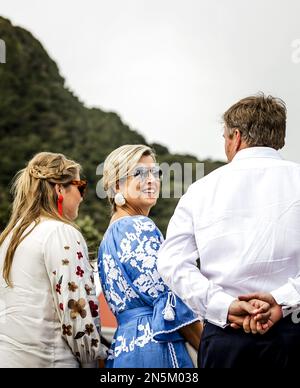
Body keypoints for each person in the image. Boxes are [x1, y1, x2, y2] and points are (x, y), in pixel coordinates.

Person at [157, 94, 300, 368]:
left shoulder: (200, 191)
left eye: (224, 137)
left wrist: (223, 306)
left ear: (235, 137)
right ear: (279, 138)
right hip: (293, 333)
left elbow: (171, 262)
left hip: (225, 340)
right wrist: (283, 301)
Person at [98, 144, 202, 368]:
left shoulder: (108, 237)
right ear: (117, 184)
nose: (151, 180)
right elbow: (169, 303)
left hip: (125, 349)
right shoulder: (139, 227)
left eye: (156, 173)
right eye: (139, 173)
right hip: (158, 349)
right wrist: (207, 348)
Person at [0, 152, 106, 368]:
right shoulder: (60, 233)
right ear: (60, 189)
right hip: (51, 360)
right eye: (80, 186)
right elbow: (76, 311)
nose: (82, 196)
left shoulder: (10, 238)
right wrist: (93, 360)